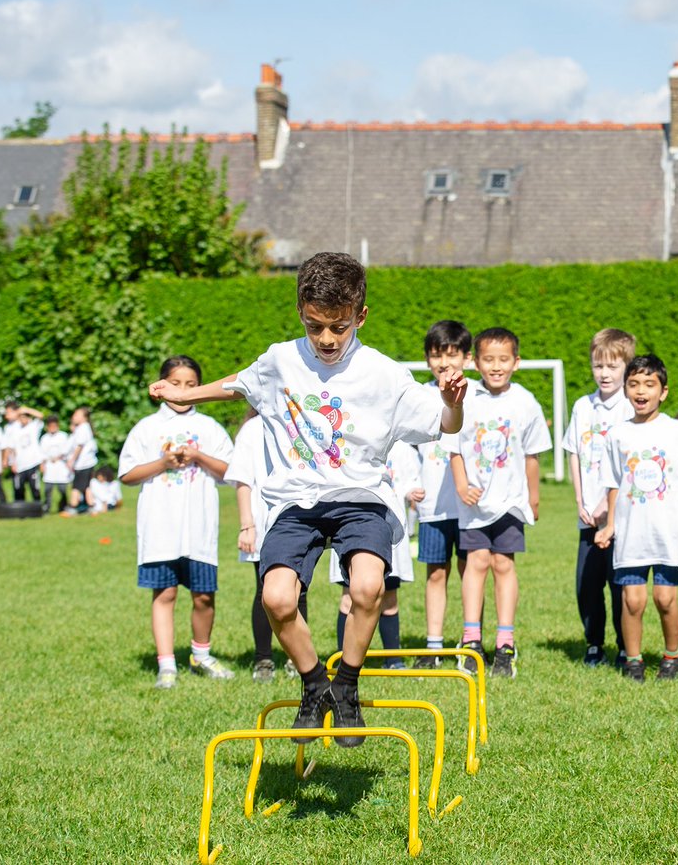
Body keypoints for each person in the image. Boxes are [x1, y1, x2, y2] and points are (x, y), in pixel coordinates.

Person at [148, 252, 466, 745]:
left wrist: (452, 402)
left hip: (362, 498)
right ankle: (316, 684)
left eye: (338, 327)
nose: (326, 339)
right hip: (296, 501)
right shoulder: (281, 359)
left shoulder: (384, 375)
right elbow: (240, 386)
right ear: (301, 309)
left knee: (366, 588)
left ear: (360, 316)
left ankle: (348, 688)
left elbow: (445, 425)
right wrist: (187, 394)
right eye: (315, 325)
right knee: (276, 597)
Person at [120, 355, 236, 689]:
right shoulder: (147, 428)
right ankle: (166, 663)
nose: (182, 390)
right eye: (175, 383)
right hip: (161, 528)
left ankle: (201, 654)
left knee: (203, 595)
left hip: (199, 529)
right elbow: (127, 474)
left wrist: (198, 456)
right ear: (161, 385)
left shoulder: (210, 429)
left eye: (190, 384)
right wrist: (162, 463)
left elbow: (232, 472)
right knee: (165, 592)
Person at [594, 354, 678, 682]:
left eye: (649, 384)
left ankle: (672, 657)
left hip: (668, 530)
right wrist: (611, 525)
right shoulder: (617, 435)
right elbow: (614, 484)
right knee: (632, 599)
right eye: (633, 384)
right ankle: (633, 661)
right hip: (632, 532)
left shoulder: (677, 431)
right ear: (625, 390)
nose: (641, 391)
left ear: (664, 391)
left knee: (665, 597)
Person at [446, 327, 550, 679]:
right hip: (474, 503)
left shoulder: (525, 401)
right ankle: (471, 639)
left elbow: (533, 455)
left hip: (509, 502)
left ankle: (505, 643)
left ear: (516, 363)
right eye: (488, 359)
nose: (496, 366)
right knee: (475, 563)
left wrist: (533, 497)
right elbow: (454, 448)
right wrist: (461, 485)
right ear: (475, 362)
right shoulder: (467, 398)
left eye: (503, 359)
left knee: (503, 565)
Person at [562, 327, 635, 668]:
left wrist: (609, 506)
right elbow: (574, 453)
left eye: (612, 366)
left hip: (620, 517)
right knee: (587, 586)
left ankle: (625, 645)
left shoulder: (630, 409)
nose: (604, 373)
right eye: (598, 366)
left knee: (620, 586)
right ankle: (594, 644)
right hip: (588, 516)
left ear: (626, 367)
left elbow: (629, 467)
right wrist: (580, 501)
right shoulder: (582, 407)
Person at [223, 408, 308, 683]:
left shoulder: (302, 423)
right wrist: (247, 525)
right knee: (265, 591)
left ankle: (299, 658)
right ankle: (263, 659)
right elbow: (243, 479)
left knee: (299, 591)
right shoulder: (253, 428)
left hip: (301, 521)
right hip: (265, 522)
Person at [412, 320, 473, 671]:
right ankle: (432, 645)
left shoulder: (476, 394)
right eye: (437, 355)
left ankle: (469, 638)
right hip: (432, 505)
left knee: (470, 572)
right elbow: (405, 449)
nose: (444, 362)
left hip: (468, 507)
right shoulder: (419, 397)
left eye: (452, 354)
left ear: (467, 357)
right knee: (436, 572)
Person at [329, 441, 422, 670]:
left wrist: (412, 492)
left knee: (389, 598)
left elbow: (412, 482)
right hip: (351, 528)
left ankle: (394, 659)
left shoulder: (404, 450)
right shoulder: (348, 441)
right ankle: (346, 660)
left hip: (389, 533)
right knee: (349, 597)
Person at [7, 403, 44, 501]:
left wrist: (26, 409)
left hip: (32, 462)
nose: (23, 419)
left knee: (35, 488)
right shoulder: (15, 429)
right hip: (20, 464)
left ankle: (37, 508)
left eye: (25, 417)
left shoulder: (33, 427)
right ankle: (20, 510)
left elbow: (40, 415)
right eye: (21, 417)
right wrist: (13, 463)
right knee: (19, 489)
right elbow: (12, 448)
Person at [64, 407, 98, 515]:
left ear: (84, 418)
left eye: (76, 415)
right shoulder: (82, 428)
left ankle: (72, 508)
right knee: (86, 486)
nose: (74, 417)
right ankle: (92, 507)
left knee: (76, 487)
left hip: (83, 464)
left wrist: (71, 460)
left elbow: (79, 446)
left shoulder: (83, 428)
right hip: (87, 463)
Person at [39, 414, 73, 513]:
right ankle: (47, 507)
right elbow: (41, 453)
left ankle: (63, 506)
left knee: (62, 489)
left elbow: (67, 450)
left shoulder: (63, 436)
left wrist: (59, 457)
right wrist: (42, 464)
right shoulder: (44, 438)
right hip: (49, 466)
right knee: (47, 489)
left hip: (61, 466)